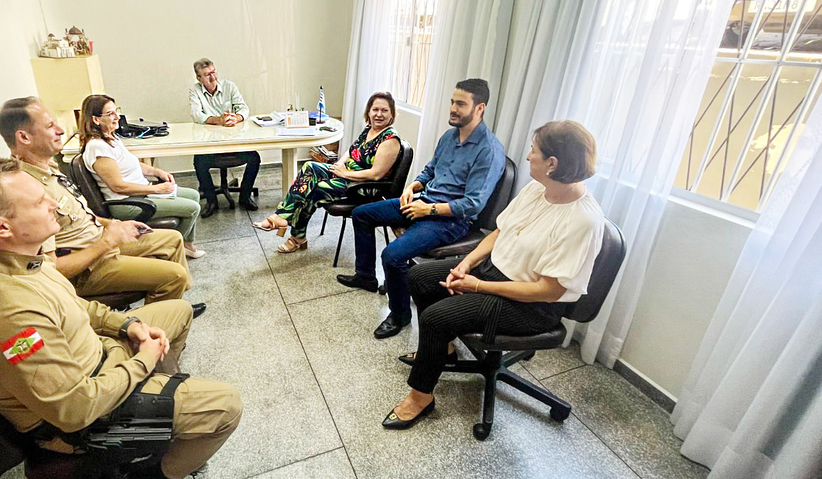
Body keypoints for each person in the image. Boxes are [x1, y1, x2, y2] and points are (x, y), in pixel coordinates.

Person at [0, 158, 242, 479]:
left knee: (178, 311)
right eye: (38, 202)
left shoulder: (18, 258)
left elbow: (73, 306)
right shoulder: (9, 313)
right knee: (226, 407)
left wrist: (128, 324)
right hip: (82, 422)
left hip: (98, 360)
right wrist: (143, 362)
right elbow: (74, 410)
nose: (52, 203)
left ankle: (163, 423)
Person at [382, 121, 604, 429]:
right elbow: (500, 231)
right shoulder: (537, 189)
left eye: (534, 151)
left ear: (552, 164)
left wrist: (478, 285)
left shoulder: (583, 221)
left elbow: (549, 291)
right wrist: (467, 263)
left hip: (530, 305)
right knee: (419, 277)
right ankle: (442, 348)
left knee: (436, 318)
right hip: (494, 271)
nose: (527, 157)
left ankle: (420, 397)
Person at [0, 98, 205, 313]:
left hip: (98, 240)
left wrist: (113, 224)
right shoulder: (28, 190)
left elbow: (80, 215)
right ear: (24, 137)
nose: (60, 130)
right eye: (50, 126)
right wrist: (106, 242)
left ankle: (175, 309)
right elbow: (53, 269)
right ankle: (147, 333)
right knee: (174, 275)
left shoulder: (49, 169)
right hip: (88, 266)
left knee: (173, 239)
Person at [337, 79, 505, 339]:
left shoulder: (489, 151)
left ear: (480, 108)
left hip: (450, 220)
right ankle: (365, 275)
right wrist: (412, 187)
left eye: (460, 104)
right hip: (423, 201)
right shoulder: (449, 136)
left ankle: (400, 314)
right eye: (452, 102)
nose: (452, 108)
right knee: (362, 214)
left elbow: (472, 204)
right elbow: (430, 169)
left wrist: (429, 210)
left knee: (392, 256)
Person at [253, 92, 401, 253]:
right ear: (369, 112)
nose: (379, 114)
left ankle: (295, 234)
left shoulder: (390, 140)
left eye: (384, 110)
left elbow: (375, 174)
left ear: (392, 113)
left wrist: (344, 173)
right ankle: (282, 217)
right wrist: (339, 164)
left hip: (363, 185)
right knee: (310, 168)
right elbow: (351, 152)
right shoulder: (369, 130)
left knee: (313, 189)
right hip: (347, 174)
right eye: (375, 109)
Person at [80, 94, 206, 259]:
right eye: (110, 114)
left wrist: (157, 172)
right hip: (126, 202)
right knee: (193, 208)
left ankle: (186, 244)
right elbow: (118, 186)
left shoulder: (111, 138)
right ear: (96, 120)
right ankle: (170, 249)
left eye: (116, 111)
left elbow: (131, 164)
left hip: (140, 193)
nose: (117, 117)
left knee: (194, 195)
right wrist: (155, 189)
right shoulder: (97, 147)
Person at [188, 58, 261, 216]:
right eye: (207, 75)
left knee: (254, 158)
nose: (213, 77)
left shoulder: (229, 86)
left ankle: (245, 196)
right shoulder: (195, 90)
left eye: (214, 72)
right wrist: (218, 120)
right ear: (199, 78)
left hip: (234, 142)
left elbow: (243, 108)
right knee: (199, 161)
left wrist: (237, 118)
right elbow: (196, 114)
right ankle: (211, 200)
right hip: (210, 144)